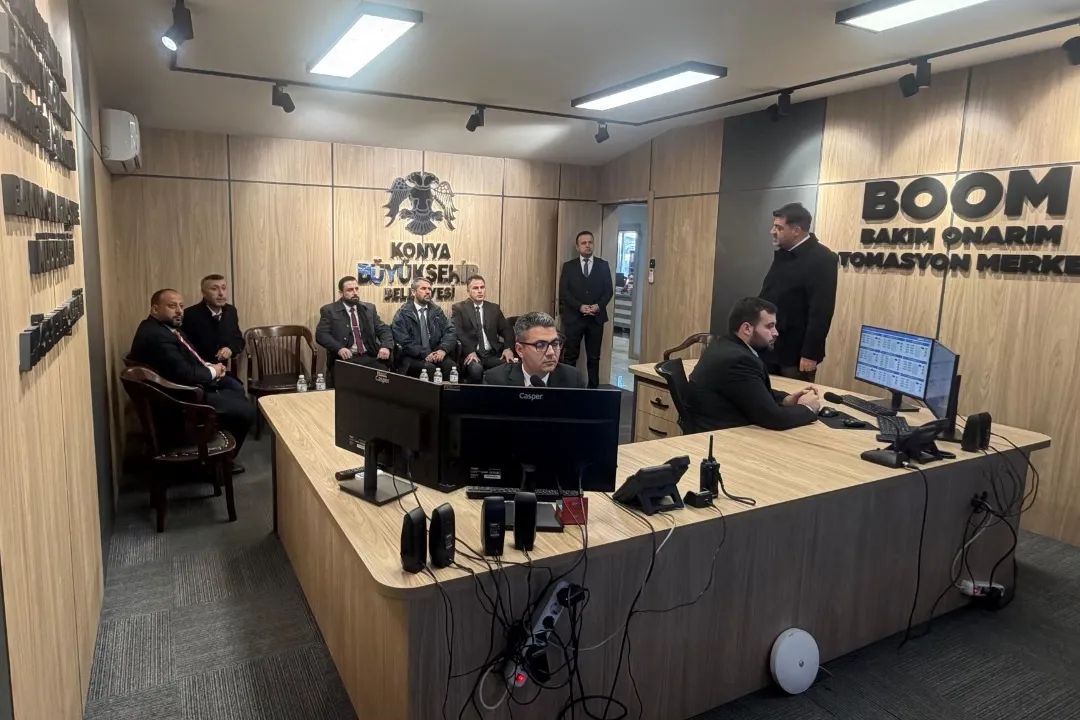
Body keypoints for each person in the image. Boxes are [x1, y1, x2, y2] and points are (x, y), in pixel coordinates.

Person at [130, 289, 256, 472]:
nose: (179, 311)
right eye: (172, 306)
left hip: (181, 390)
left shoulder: (165, 329)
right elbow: (185, 374)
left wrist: (209, 366)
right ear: (155, 309)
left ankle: (218, 456)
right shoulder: (157, 336)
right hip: (179, 400)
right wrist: (212, 371)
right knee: (245, 411)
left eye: (181, 306)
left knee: (234, 390)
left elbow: (188, 359)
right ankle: (216, 464)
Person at [688, 297, 820, 431]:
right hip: (725, 435)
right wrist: (807, 408)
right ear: (747, 328)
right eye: (769, 326)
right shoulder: (739, 360)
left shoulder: (723, 345)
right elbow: (774, 419)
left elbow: (752, 391)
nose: (776, 333)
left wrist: (787, 399)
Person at [759, 202, 838, 381]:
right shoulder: (784, 253)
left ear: (796, 230)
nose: (772, 231)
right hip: (769, 348)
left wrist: (810, 353)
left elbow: (821, 311)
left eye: (779, 227)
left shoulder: (823, 258)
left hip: (795, 354)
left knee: (795, 397)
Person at [559, 230, 613, 388]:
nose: (587, 245)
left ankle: (593, 389)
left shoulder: (603, 265)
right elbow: (564, 292)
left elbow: (608, 291)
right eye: (583, 243)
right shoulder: (569, 266)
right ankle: (570, 389)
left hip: (596, 319)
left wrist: (598, 306)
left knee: (594, 357)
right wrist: (580, 307)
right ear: (577, 247)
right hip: (574, 318)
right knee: (570, 356)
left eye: (590, 242)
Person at [316, 276, 393, 386]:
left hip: (370, 355)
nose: (355, 292)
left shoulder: (369, 309)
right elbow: (321, 334)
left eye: (356, 289)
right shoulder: (329, 310)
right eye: (350, 290)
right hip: (346, 358)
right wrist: (339, 348)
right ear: (341, 293)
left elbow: (384, 329)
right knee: (350, 385)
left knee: (384, 382)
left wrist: (385, 346)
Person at [484, 312, 586, 388]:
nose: (551, 352)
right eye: (541, 345)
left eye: (555, 344)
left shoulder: (573, 379)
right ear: (520, 350)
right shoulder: (495, 380)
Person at [451, 274, 515, 384]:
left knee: (511, 367)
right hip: (472, 354)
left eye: (482, 287)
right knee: (476, 370)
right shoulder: (459, 308)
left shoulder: (493, 308)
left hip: (492, 354)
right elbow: (458, 331)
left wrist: (508, 348)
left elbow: (506, 330)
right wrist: (470, 351)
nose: (480, 291)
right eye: (475, 288)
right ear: (468, 291)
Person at [391, 277, 456, 379]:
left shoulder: (436, 311)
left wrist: (442, 350)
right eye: (423, 288)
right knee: (429, 369)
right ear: (413, 292)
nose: (428, 292)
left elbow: (450, 331)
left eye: (429, 289)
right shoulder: (403, 313)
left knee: (451, 367)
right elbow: (404, 341)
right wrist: (424, 353)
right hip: (413, 357)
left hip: (436, 353)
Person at [181, 274, 245, 370]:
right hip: (199, 370)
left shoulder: (231, 311)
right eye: (214, 289)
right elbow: (184, 349)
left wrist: (230, 349)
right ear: (203, 293)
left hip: (222, 369)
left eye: (224, 288)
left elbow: (238, 339)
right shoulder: (189, 315)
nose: (221, 293)